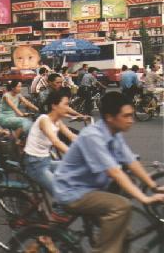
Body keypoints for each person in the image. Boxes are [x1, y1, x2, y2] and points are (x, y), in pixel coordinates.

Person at [53, 92, 164, 253]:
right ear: (110, 117)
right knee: (121, 206)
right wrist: (144, 198)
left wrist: (154, 186)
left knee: (122, 232)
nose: (130, 120)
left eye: (131, 115)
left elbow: (131, 161)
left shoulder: (113, 132)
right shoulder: (93, 136)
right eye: (126, 116)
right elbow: (115, 173)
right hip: (73, 191)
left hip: (92, 188)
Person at [24, 91, 77, 198]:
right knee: (62, 194)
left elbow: (72, 136)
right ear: (54, 106)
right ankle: (58, 213)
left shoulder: (57, 121)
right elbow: (56, 142)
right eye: (65, 104)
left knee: (76, 171)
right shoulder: (44, 120)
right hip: (35, 164)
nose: (68, 108)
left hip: (46, 160)